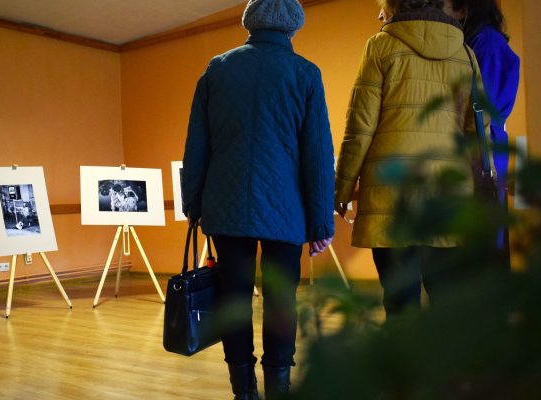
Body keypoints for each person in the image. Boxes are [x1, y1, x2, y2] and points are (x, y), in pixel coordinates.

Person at [181, 0, 335, 398]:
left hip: (226, 205)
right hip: (287, 210)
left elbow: (196, 145)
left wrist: (193, 204)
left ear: (250, 22)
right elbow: (317, 154)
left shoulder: (217, 69)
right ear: (293, 27)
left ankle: (243, 391)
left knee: (234, 298)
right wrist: (322, 221)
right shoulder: (305, 73)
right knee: (281, 300)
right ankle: (278, 388)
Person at [335, 0, 490, 320]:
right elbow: (477, 130)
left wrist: (343, 188)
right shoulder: (465, 54)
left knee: (400, 304)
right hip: (447, 194)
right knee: (446, 304)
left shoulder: (380, 46)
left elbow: (360, 127)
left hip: (391, 195)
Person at [444, 0, 520, 251]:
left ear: (464, 7)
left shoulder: (486, 43)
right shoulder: (482, 41)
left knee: (481, 244)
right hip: (481, 144)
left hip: (482, 147)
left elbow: (479, 110)